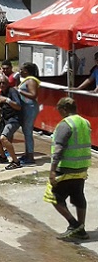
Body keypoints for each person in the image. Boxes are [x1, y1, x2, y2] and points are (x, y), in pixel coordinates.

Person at [45, 97, 91, 241]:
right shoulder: (85, 122)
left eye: (59, 110)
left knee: (53, 196)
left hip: (65, 168)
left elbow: (58, 150)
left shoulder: (65, 125)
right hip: (81, 167)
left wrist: (52, 170)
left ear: (64, 109)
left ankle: (74, 224)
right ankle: (81, 230)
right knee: (78, 196)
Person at [0, 77, 23, 169]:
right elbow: (1, 110)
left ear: (7, 83)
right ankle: (3, 157)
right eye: (0, 83)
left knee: (3, 138)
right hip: (5, 118)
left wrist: (6, 100)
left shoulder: (12, 91)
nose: (1, 85)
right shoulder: (0, 93)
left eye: (3, 83)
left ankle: (16, 161)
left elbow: (18, 106)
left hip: (14, 119)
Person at [17, 62, 41, 165]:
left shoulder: (31, 81)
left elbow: (33, 94)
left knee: (28, 132)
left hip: (30, 107)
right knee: (26, 131)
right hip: (26, 107)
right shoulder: (27, 80)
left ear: (26, 71)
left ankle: (30, 156)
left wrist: (19, 91)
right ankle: (27, 153)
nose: (20, 71)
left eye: (21, 70)